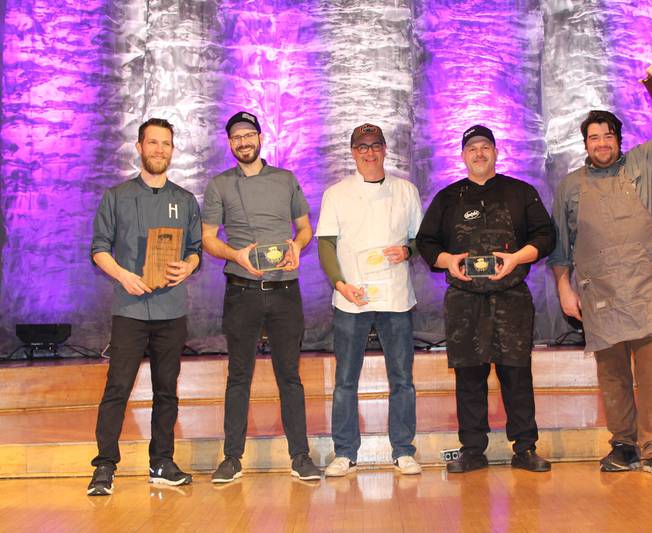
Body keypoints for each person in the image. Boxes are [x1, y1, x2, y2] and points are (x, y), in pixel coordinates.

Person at [548, 61, 652, 477]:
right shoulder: (570, 186)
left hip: (646, 290)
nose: (601, 143)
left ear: (618, 139)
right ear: (585, 144)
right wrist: (564, 288)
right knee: (612, 379)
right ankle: (624, 446)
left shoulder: (646, 161)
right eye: (594, 138)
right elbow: (560, 246)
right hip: (600, 294)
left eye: (608, 135)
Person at [416, 124, 555, 473]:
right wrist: (449, 261)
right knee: (469, 378)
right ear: (463, 156)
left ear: (496, 152)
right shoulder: (448, 198)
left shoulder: (521, 192)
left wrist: (517, 258)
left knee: (517, 376)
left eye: (485, 147)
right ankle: (473, 450)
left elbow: (546, 235)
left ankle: (525, 448)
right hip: (464, 302)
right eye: (472, 148)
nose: (479, 153)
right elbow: (426, 242)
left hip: (512, 300)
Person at [202, 111, 320, 482]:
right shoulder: (219, 185)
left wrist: (297, 247)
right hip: (242, 292)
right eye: (236, 137)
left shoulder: (285, 180)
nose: (243, 142)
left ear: (260, 137)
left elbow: (304, 229)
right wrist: (235, 255)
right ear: (230, 143)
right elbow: (207, 238)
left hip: (285, 291)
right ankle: (232, 458)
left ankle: (300, 457)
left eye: (249, 135)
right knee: (239, 377)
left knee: (290, 377)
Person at [87, 118, 202, 496]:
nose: (159, 150)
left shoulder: (185, 200)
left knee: (166, 390)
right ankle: (105, 466)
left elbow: (195, 250)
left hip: (171, 311)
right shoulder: (116, 196)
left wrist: (187, 267)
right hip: (130, 310)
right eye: (152, 143)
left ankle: (162, 462)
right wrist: (123, 275)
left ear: (172, 149)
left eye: (166, 144)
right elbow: (99, 249)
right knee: (117, 388)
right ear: (139, 147)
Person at [316, 123, 423, 476]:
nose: (369, 152)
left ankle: (404, 449)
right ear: (353, 152)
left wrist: (406, 251)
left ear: (385, 149)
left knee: (402, 378)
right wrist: (339, 283)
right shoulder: (337, 193)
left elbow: (420, 240)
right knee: (346, 379)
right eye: (361, 146)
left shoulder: (406, 190)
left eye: (375, 145)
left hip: (394, 298)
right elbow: (326, 243)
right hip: (352, 299)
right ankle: (345, 452)